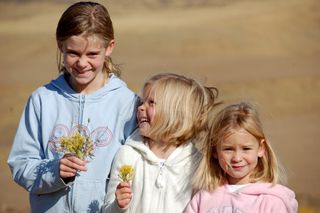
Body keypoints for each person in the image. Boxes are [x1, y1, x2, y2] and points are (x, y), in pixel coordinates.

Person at [7, 2, 138, 212]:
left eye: (93, 54)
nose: (82, 63)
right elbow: (21, 163)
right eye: (73, 53)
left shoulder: (128, 104)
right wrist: (53, 171)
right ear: (60, 46)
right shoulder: (42, 100)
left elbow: (138, 169)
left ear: (110, 47)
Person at [102, 73, 219, 213]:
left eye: (151, 103)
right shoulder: (128, 154)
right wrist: (118, 206)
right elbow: (108, 208)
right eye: (141, 102)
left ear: (175, 114)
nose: (140, 108)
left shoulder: (196, 163)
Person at [184, 102, 298, 213]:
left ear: (261, 148)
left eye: (246, 149)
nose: (237, 158)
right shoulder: (203, 198)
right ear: (214, 151)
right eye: (228, 149)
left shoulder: (272, 201)